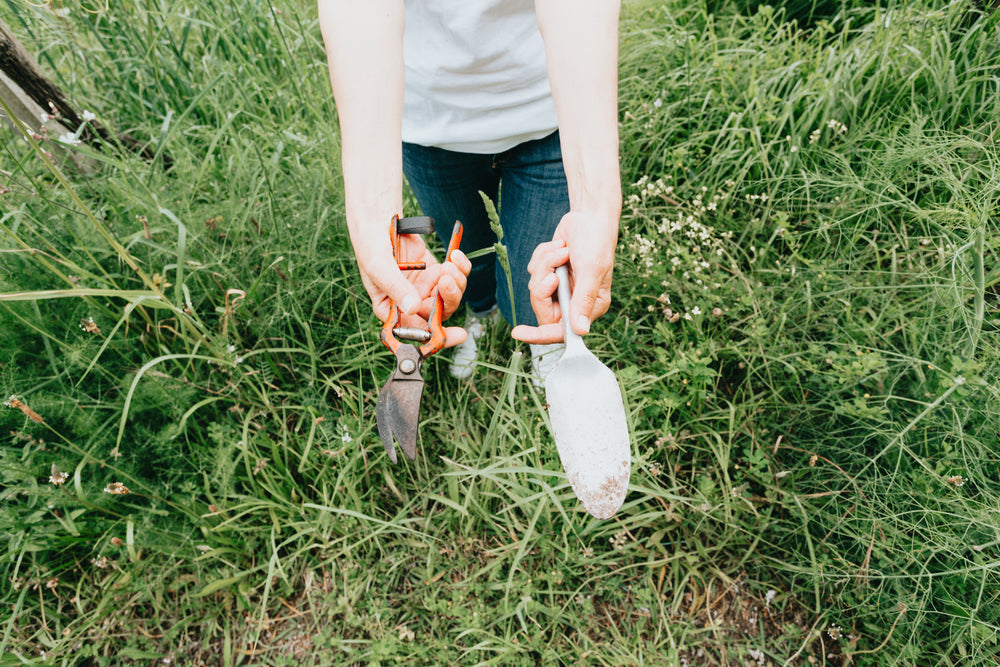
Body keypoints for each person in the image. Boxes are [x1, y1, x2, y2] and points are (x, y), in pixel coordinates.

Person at [318, 1, 622, 383]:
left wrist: (596, 207)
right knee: (468, 257)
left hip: (548, 119)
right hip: (429, 128)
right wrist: (373, 215)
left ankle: (541, 342)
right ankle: (483, 313)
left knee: (540, 266)